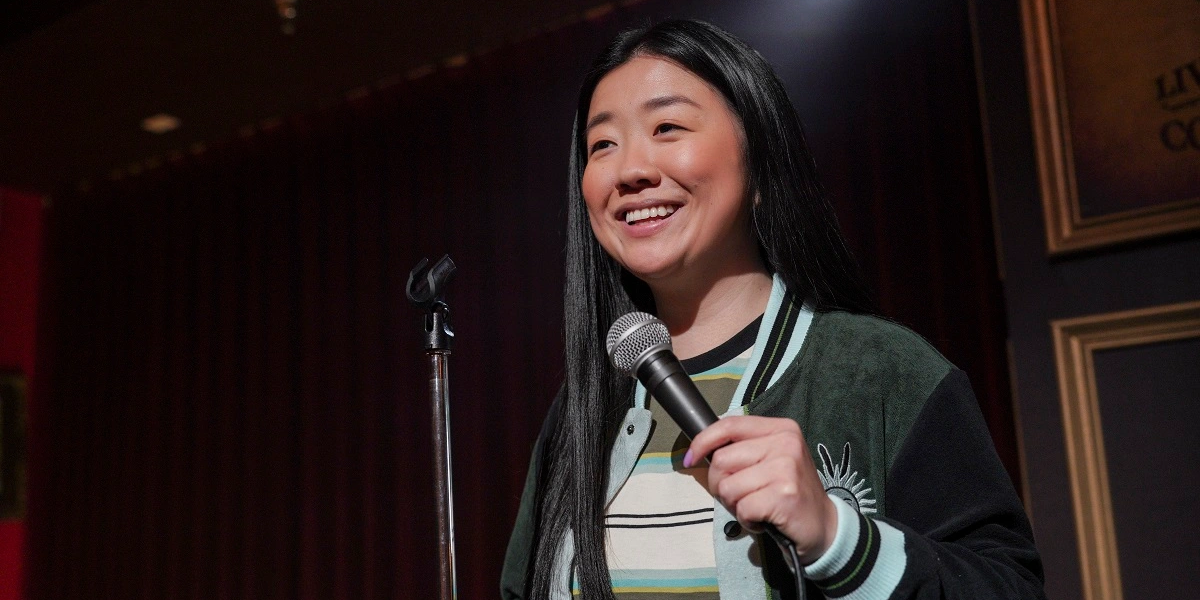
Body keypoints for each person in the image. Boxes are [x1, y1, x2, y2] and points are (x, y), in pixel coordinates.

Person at [501, 19, 1045, 600]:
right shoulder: (580, 411)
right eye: (602, 144)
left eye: (667, 126)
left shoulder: (882, 372)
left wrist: (838, 539)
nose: (630, 170)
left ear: (760, 163)